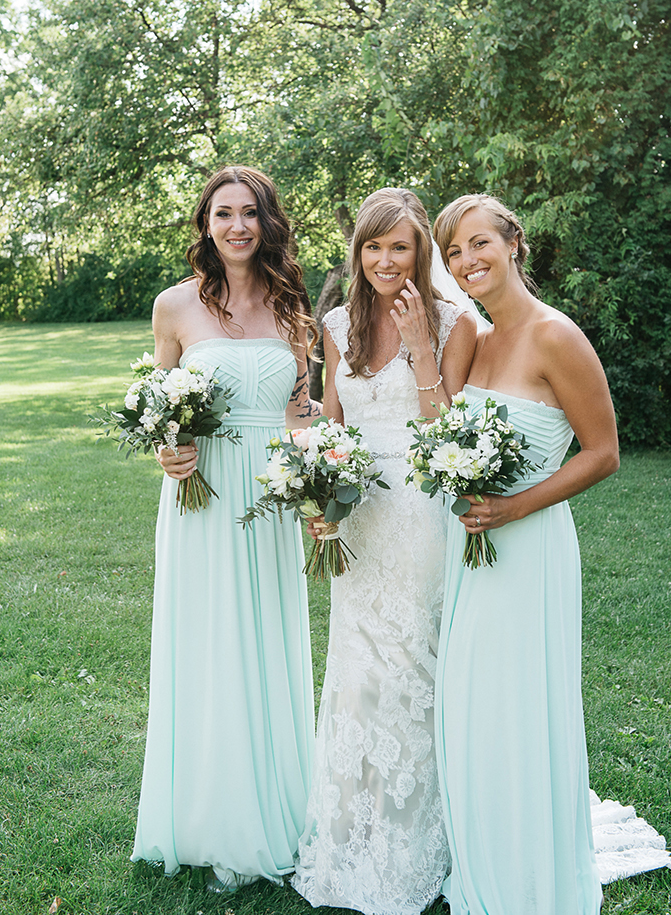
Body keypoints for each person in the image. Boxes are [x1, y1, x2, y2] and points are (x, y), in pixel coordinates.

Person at [291, 189, 479, 914]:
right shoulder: (337, 323)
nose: (385, 261)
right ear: (358, 251)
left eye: (400, 247)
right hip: (357, 514)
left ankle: (419, 841)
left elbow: (451, 435)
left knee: (409, 668)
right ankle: (353, 831)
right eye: (374, 246)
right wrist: (317, 493)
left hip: (420, 510)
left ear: (421, 252)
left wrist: (425, 350)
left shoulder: (456, 320)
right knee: (355, 674)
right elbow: (330, 421)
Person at [432, 193, 620, 915]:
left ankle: (529, 879)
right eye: (453, 251)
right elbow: (445, 424)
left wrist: (515, 504)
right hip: (473, 544)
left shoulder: (555, 336)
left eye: (480, 242)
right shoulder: (476, 337)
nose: (467, 260)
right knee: (474, 702)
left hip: (530, 542)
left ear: (514, 243)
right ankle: (483, 857)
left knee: (518, 705)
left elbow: (603, 453)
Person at [132, 165, 319, 892]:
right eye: (222, 214)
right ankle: (206, 814)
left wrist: (316, 481)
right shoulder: (174, 307)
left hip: (268, 499)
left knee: (268, 639)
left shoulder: (293, 305)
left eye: (249, 213)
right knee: (207, 643)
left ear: (267, 222)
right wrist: (168, 449)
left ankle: (275, 805)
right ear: (205, 226)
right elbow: (161, 412)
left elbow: (301, 412)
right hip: (201, 502)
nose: (237, 225)